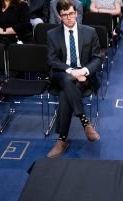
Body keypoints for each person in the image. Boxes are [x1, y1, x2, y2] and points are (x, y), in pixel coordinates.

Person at [46, 0, 103, 158]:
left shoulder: (89, 32)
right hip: (62, 74)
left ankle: (62, 140)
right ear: (60, 16)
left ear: (76, 13)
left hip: (84, 77)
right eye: (65, 15)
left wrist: (83, 71)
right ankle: (85, 121)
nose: (69, 17)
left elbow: (97, 58)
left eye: (71, 14)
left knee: (66, 92)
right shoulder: (52, 34)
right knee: (67, 79)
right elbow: (52, 60)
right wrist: (72, 71)